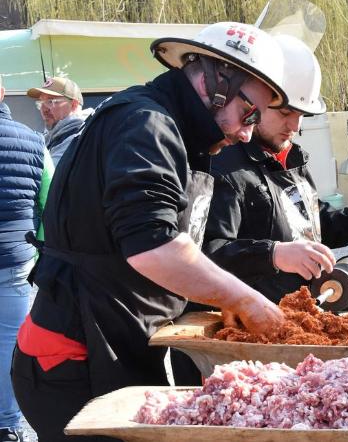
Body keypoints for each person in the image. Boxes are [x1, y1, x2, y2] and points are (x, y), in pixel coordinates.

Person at [11, 22, 291, 441]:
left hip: (123, 340)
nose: (247, 132)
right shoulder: (146, 124)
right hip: (74, 356)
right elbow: (153, 246)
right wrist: (245, 300)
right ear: (215, 79)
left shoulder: (181, 130)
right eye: (249, 113)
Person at [203, 34, 348, 304]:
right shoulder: (223, 167)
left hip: (298, 312)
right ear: (254, 102)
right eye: (284, 114)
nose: (295, 126)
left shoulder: (289, 156)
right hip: (248, 321)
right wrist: (274, 254)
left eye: (302, 115)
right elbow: (209, 254)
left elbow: (308, 225)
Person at [0, 75, 51, 442]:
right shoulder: (33, 142)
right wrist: (41, 253)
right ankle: (8, 424)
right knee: (7, 343)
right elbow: (51, 203)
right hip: (14, 259)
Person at [26, 76, 88, 166]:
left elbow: (50, 175)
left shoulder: (78, 137)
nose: (44, 109)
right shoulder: (51, 138)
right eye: (40, 103)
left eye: (51, 101)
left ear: (74, 105)